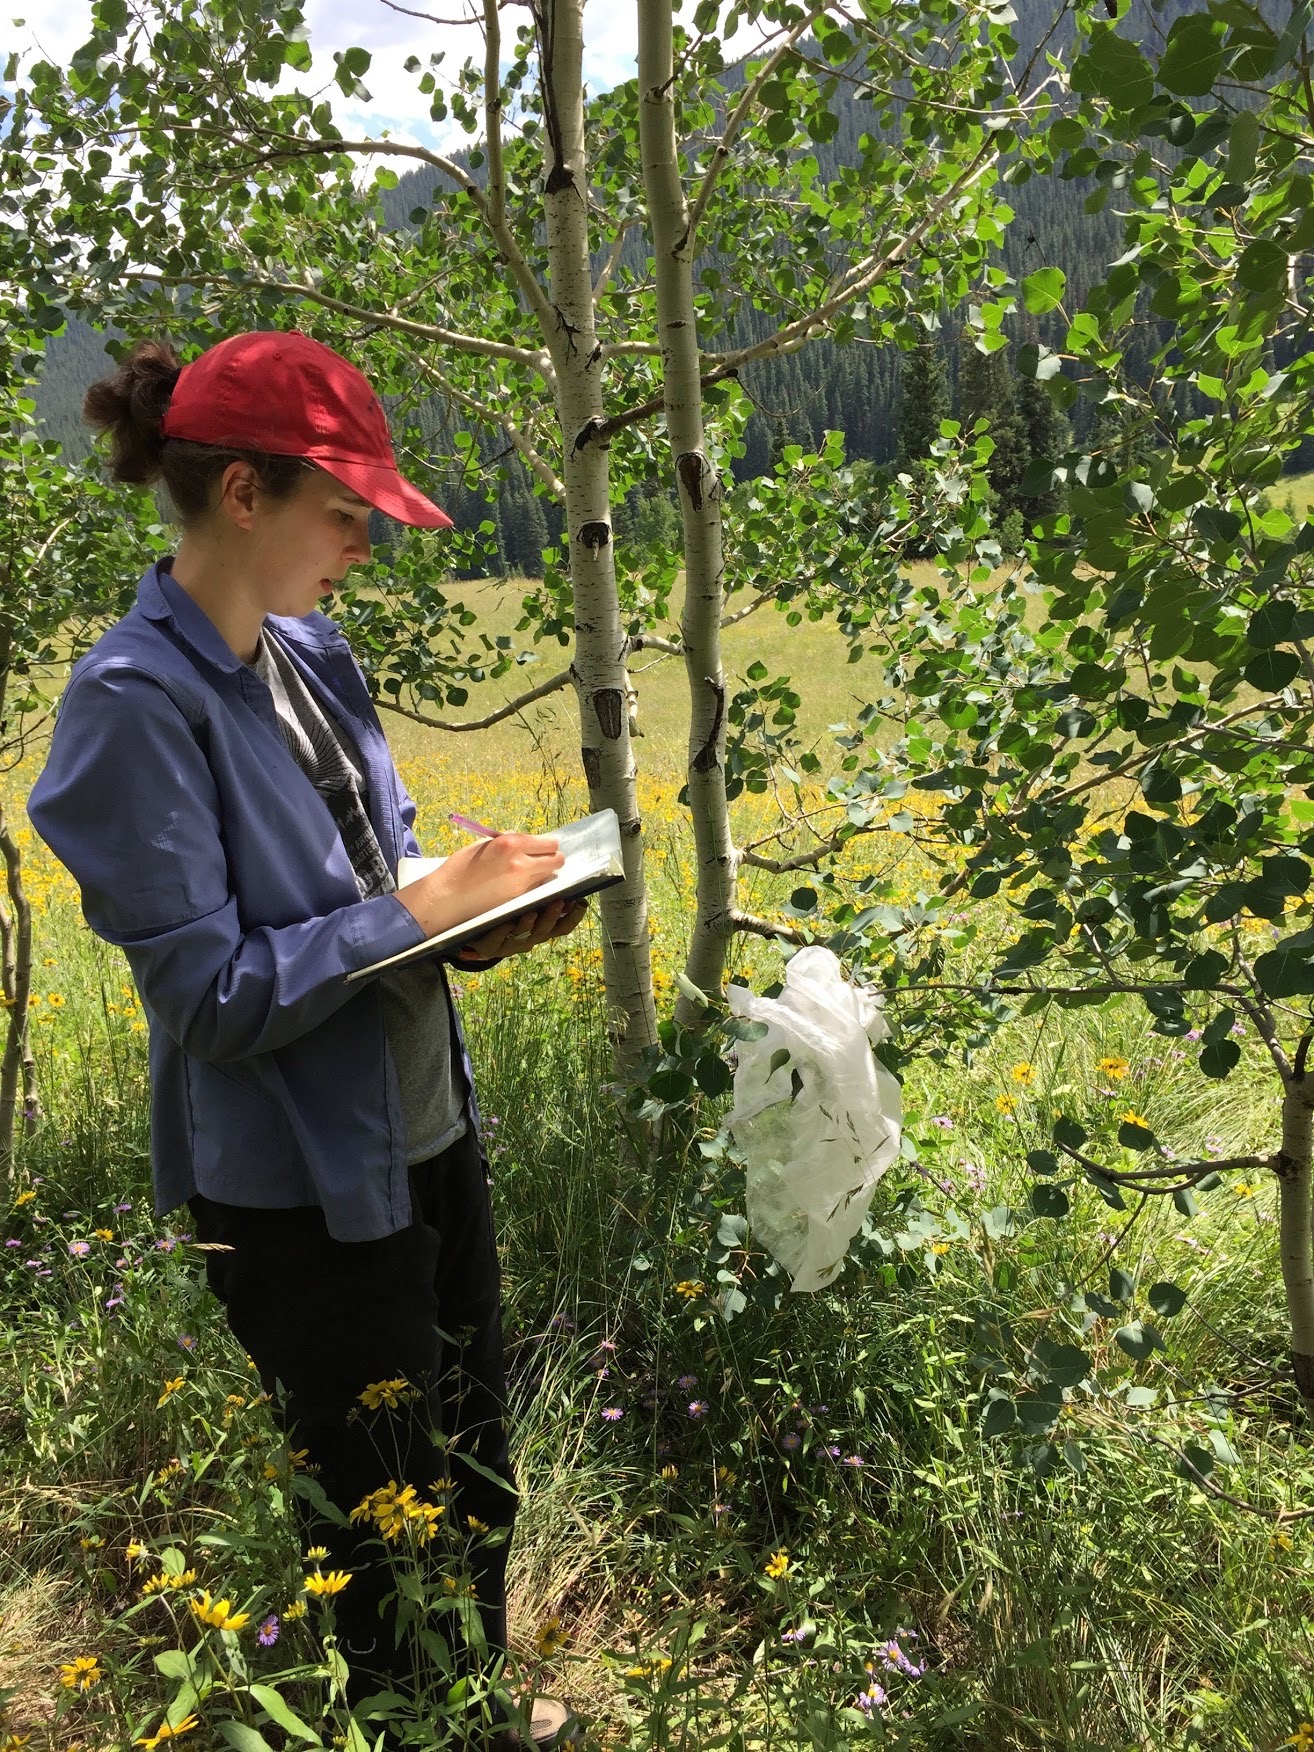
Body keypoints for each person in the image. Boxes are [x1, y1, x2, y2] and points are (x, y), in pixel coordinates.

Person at [26, 331, 587, 1750]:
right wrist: (422, 909)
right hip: (294, 1192)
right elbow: (210, 999)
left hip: (420, 1130)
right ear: (239, 497)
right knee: (381, 1519)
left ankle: (473, 1719)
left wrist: (472, 921)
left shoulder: (310, 656)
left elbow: (371, 882)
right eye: (345, 513)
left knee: (474, 1473)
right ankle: (422, 1728)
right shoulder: (129, 709)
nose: (364, 546)